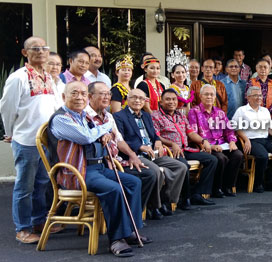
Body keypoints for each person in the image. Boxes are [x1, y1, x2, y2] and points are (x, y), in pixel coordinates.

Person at [49, 81, 150, 257]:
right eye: (74, 93)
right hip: (78, 172)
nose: (80, 97)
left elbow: (98, 135)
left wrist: (103, 133)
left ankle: (130, 230)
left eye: (82, 93)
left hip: (98, 168)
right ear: (64, 97)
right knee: (114, 189)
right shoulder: (61, 118)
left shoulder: (84, 117)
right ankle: (116, 239)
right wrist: (105, 129)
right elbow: (86, 137)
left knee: (134, 182)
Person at [1, 36, 62, 244]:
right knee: (24, 186)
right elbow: (7, 107)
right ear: (25, 53)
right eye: (35, 48)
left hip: (46, 140)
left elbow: (55, 107)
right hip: (26, 139)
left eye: (44, 48)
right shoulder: (18, 77)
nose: (41, 51)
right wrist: (10, 131)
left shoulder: (49, 77)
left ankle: (38, 221)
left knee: (43, 183)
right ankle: (23, 229)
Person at [85, 82, 158, 214]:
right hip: (100, 165)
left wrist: (132, 155)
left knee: (147, 175)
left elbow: (119, 140)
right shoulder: (84, 116)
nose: (107, 97)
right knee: (147, 175)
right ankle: (127, 216)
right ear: (90, 96)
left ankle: (133, 217)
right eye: (102, 94)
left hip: (116, 160)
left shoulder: (108, 116)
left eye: (108, 94)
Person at [114, 89, 187, 220]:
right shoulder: (119, 116)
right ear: (127, 100)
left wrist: (158, 141)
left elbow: (154, 134)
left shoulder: (147, 115)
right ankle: (154, 206)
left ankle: (166, 200)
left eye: (141, 98)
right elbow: (120, 139)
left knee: (180, 167)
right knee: (156, 171)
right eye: (134, 98)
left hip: (153, 154)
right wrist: (140, 146)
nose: (137, 101)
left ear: (145, 101)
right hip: (136, 155)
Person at [152, 89, 218, 206]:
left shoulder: (180, 115)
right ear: (161, 102)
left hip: (186, 149)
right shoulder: (155, 116)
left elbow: (191, 133)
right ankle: (185, 198)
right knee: (184, 166)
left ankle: (197, 193)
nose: (171, 102)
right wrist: (172, 144)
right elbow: (156, 136)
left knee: (212, 159)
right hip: (172, 152)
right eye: (167, 99)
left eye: (174, 99)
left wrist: (203, 140)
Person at [188, 84, 243, 197]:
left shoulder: (220, 113)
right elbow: (192, 133)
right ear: (200, 96)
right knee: (221, 158)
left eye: (212, 94)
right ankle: (216, 188)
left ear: (215, 97)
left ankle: (228, 186)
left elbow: (229, 130)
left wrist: (232, 141)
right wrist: (210, 145)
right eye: (206, 94)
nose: (209, 97)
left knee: (238, 155)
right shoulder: (194, 112)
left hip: (223, 145)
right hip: (206, 147)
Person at [233, 86, 272, 192]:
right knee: (262, 156)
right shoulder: (242, 110)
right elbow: (237, 129)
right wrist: (246, 139)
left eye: (260, 95)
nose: (259, 97)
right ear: (248, 97)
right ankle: (258, 183)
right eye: (255, 95)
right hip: (251, 140)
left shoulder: (265, 111)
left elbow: (269, 129)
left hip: (265, 139)